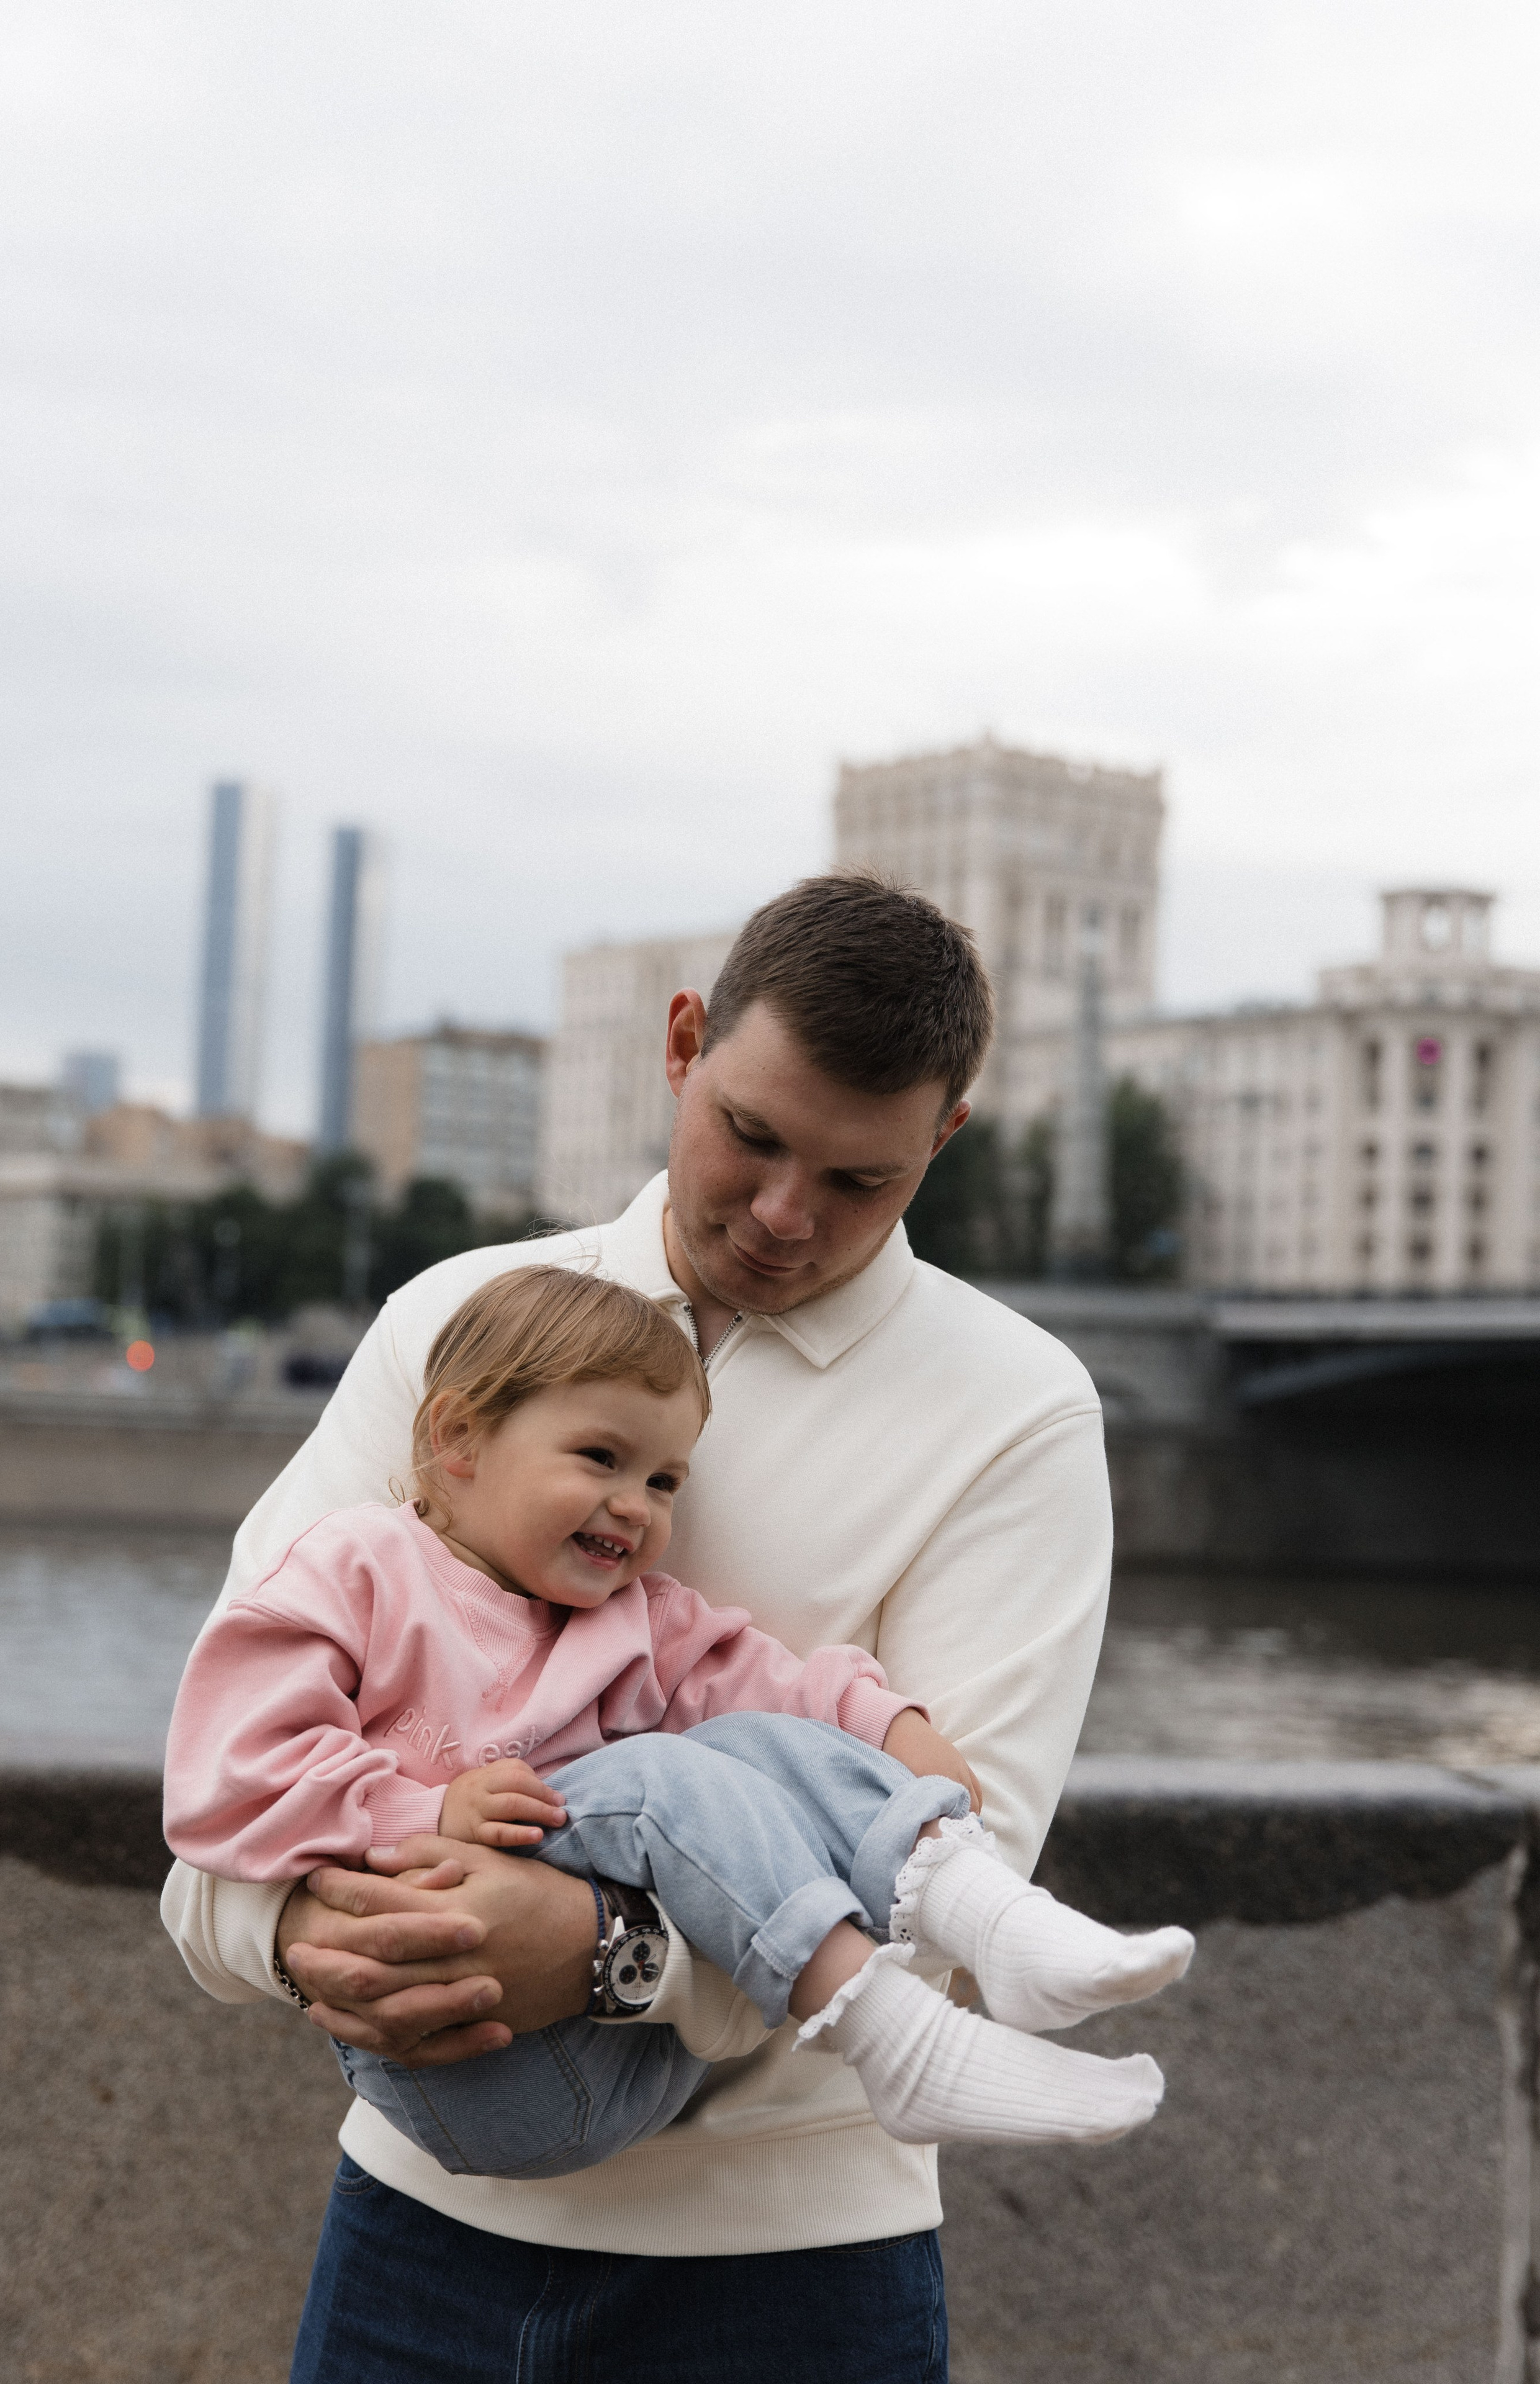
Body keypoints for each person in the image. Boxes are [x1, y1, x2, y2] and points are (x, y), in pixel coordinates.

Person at [161, 873, 1138, 2383]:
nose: (782, 1216)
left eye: (860, 1180)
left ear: (942, 1141)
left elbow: (961, 1868)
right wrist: (298, 1938)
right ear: (682, 1043)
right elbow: (223, 1778)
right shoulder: (452, 1321)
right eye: (749, 1135)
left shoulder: (1017, 1411)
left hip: (795, 2278)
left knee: (757, 1747)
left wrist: (607, 1954)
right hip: (416, 2228)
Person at [163, 1266, 1187, 2187]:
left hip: (644, 2069)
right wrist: (425, 1812)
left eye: (663, 1482)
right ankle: (897, 2040)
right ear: (458, 1439)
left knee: (747, 1740)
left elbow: (784, 1695)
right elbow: (230, 1766)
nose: (634, 1508)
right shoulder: (359, 1568)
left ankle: (980, 1911)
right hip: (459, 2060)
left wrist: (896, 1731)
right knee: (659, 1769)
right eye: (600, 1458)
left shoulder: (636, 1620)